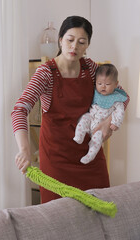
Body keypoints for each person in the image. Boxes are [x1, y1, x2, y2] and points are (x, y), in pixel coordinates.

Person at [11, 16, 129, 203]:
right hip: (56, 162)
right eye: (70, 40)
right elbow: (19, 110)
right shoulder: (46, 73)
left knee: (99, 213)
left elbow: (122, 96)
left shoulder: (90, 69)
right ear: (60, 40)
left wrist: (109, 123)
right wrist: (24, 150)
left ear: (87, 45)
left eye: (81, 42)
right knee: (59, 220)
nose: (74, 47)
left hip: (90, 159)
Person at [73, 64, 127, 164]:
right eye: (100, 83)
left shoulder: (117, 98)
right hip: (91, 118)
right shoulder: (95, 92)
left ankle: (90, 155)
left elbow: (120, 111)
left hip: (101, 126)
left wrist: (115, 123)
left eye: (107, 84)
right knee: (84, 117)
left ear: (116, 84)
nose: (103, 86)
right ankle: (79, 135)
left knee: (97, 139)